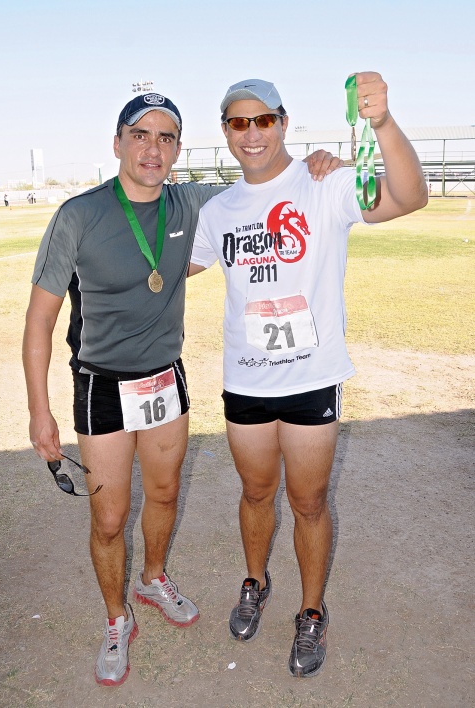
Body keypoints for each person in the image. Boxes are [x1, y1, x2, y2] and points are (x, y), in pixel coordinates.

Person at [22, 90, 341, 687]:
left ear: (177, 149)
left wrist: (319, 163)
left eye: (166, 138)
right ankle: (116, 619)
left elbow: (264, 175)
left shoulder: (193, 201)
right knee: (110, 517)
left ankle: (153, 578)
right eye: (140, 135)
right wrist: (40, 412)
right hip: (101, 384)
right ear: (118, 143)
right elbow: (40, 319)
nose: (153, 149)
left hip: (165, 378)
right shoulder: (78, 215)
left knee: (165, 495)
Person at [189, 74, 428, 678]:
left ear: (283, 123)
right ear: (225, 132)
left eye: (263, 120)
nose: (252, 134)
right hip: (246, 381)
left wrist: (381, 122)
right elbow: (171, 268)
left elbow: (409, 196)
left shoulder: (325, 183)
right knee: (255, 493)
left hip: (312, 379)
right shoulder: (217, 211)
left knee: (309, 501)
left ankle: (312, 611)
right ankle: (254, 581)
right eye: (238, 123)